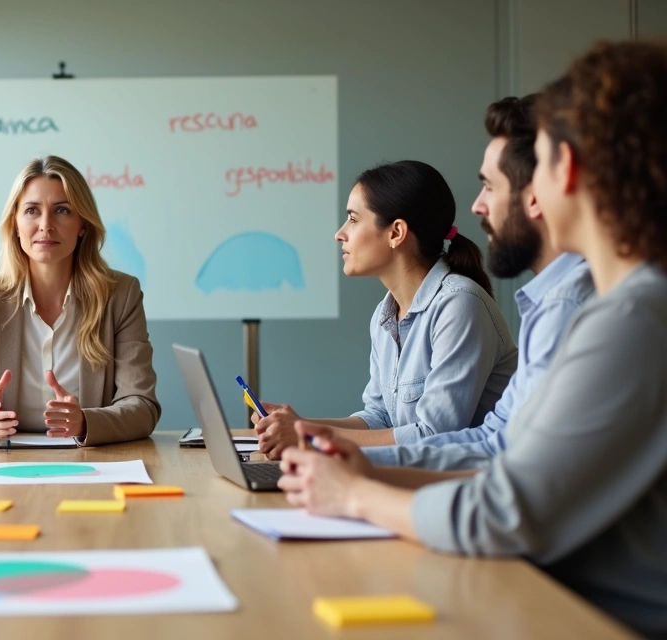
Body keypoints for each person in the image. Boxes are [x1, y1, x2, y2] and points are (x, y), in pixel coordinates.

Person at [277, 40, 667, 638]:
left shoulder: (631, 320)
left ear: (564, 170)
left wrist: (355, 493)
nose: (482, 203)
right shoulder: (615, 309)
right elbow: (499, 450)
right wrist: (369, 469)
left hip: (585, 617)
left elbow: (506, 510)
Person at [364, 95, 593, 470]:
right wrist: (340, 456)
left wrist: (356, 477)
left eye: (489, 186)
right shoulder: (546, 304)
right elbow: (495, 441)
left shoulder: (571, 309)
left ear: (537, 195)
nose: (476, 206)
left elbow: (524, 481)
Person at [253, 160, 517, 458]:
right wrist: (299, 425)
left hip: (467, 482)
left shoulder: (460, 304)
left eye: (353, 219)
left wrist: (309, 435)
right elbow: (379, 417)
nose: (340, 233)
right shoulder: (385, 315)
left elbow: (435, 436)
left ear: (396, 233)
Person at [0, 155, 160, 445]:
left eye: (62, 210)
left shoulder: (121, 295)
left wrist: (85, 422)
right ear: (15, 224)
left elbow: (142, 406)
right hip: (1, 460)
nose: (46, 225)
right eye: (32, 211)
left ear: (82, 225)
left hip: (90, 460)